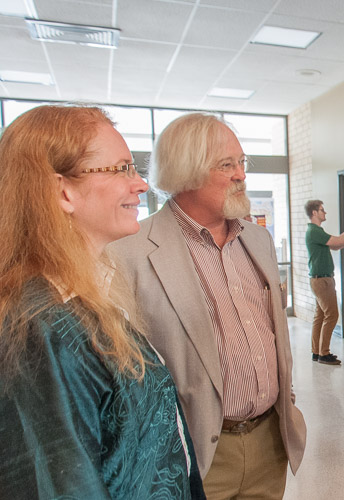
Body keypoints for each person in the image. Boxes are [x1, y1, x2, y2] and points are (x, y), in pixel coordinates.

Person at [0, 105, 202, 499]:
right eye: (122, 168)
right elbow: (60, 484)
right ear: (62, 192)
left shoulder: (91, 289)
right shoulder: (42, 326)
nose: (142, 185)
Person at [111, 112, 306, 500]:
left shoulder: (258, 240)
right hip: (197, 452)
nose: (241, 174)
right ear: (186, 173)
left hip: (270, 442)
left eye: (241, 162)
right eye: (226, 164)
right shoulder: (129, 252)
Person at [305, 200, 344, 365]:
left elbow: (337, 246)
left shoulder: (315, 231)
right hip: (322, 281)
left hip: (319, 279)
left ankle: (316, 351)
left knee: (320, 316)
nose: (325, 213)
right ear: (314, 213)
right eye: (322, 210)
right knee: (332, 315)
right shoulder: (314, 231)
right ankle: (324, 353)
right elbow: (336, 242)